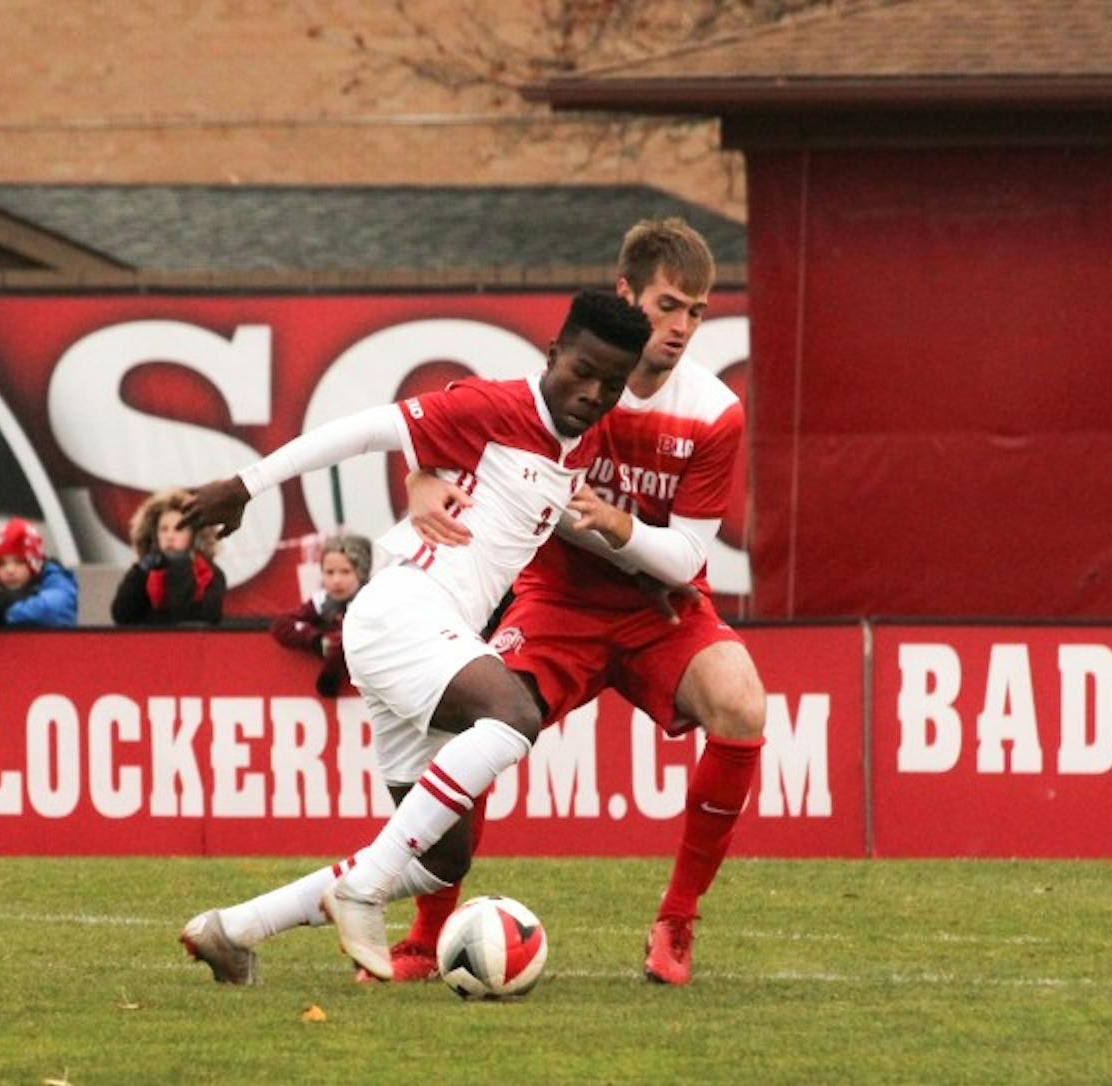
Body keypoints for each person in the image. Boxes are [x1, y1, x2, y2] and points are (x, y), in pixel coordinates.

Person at [177, 289, 650, 982]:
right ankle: (362, 887)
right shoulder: (493, 406)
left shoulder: (592, 439)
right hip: (404, 612)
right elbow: (364, 429)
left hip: (432, 635)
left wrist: (424, 473)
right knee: (515, 714)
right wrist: (248, 484)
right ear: (554, 355)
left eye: (611, 383)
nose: (592, 392)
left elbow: (447, 463)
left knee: (441, 859)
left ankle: (235, 930)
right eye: (582, 371)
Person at [398, 217, 765, 987]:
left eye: (697, 312)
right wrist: (421, 478)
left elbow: (689, 557)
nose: (682, 327)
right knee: (471, 724)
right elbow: (434, 432)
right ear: (626, 295)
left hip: (660, 608)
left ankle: (678, 920)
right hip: (558, 598)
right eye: (668, 305)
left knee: (742, 706)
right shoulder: (562, 385)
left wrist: (614, 524)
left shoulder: (712, 410)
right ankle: (428, 933)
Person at [268, 533, 371, 698]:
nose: (336, 580)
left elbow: (346, 644)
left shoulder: (372, 602)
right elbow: (281, 625)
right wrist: (316, 640)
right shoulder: (322, 601)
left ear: (361, 573)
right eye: (329, 572)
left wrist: (330, 666)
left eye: (345, 572)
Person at [110, 489, 226, 626]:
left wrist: (180, 565)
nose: (169, 536)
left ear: (194, 535)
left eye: (179, 529)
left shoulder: (211, 574)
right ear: (154, 535)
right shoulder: (145, 572)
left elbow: (188, 617)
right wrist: (139, 572)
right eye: (163, 529)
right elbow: (121, 615)